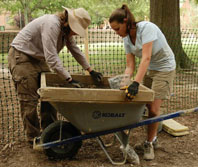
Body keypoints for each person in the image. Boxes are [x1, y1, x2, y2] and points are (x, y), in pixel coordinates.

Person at [8, 6, 103, 144]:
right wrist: (69, 79)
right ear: (68, 22)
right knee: (29, 100)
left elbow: (75, 50)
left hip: (39, 58)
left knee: (50, 94)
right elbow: (52, 58)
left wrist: (90, 70)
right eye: (75, 30)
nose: (75, 34)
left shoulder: (65, 32)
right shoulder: (52, 24)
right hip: (22, 56)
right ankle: (34, 138)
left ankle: (49, 132)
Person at [109, 4, 176, 160]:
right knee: (146, 104)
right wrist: (124, 85)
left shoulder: (147, 28)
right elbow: (130, 66)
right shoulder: (126, 39)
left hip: (165, 68)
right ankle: (154, 135)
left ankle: (149, 142)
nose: (116, 33)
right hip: (150, 68)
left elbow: (146, 57)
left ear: (126, 21)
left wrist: (136, 83)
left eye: (117, 29)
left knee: (153, 109)